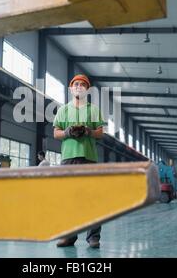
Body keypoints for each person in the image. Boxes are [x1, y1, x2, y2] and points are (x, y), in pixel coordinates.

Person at [53, 74, 105, 249]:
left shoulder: (94, 109)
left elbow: (100, 133)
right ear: (71, 88)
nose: (79, 86)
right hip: (68, 159)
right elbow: (56, 133)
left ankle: (93, 238)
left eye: (83, 84)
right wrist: (67, 132)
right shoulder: (63, 110)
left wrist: (88, 132)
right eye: (76, 84)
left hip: (89, 158)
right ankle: (69, 236)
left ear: (87, 89)